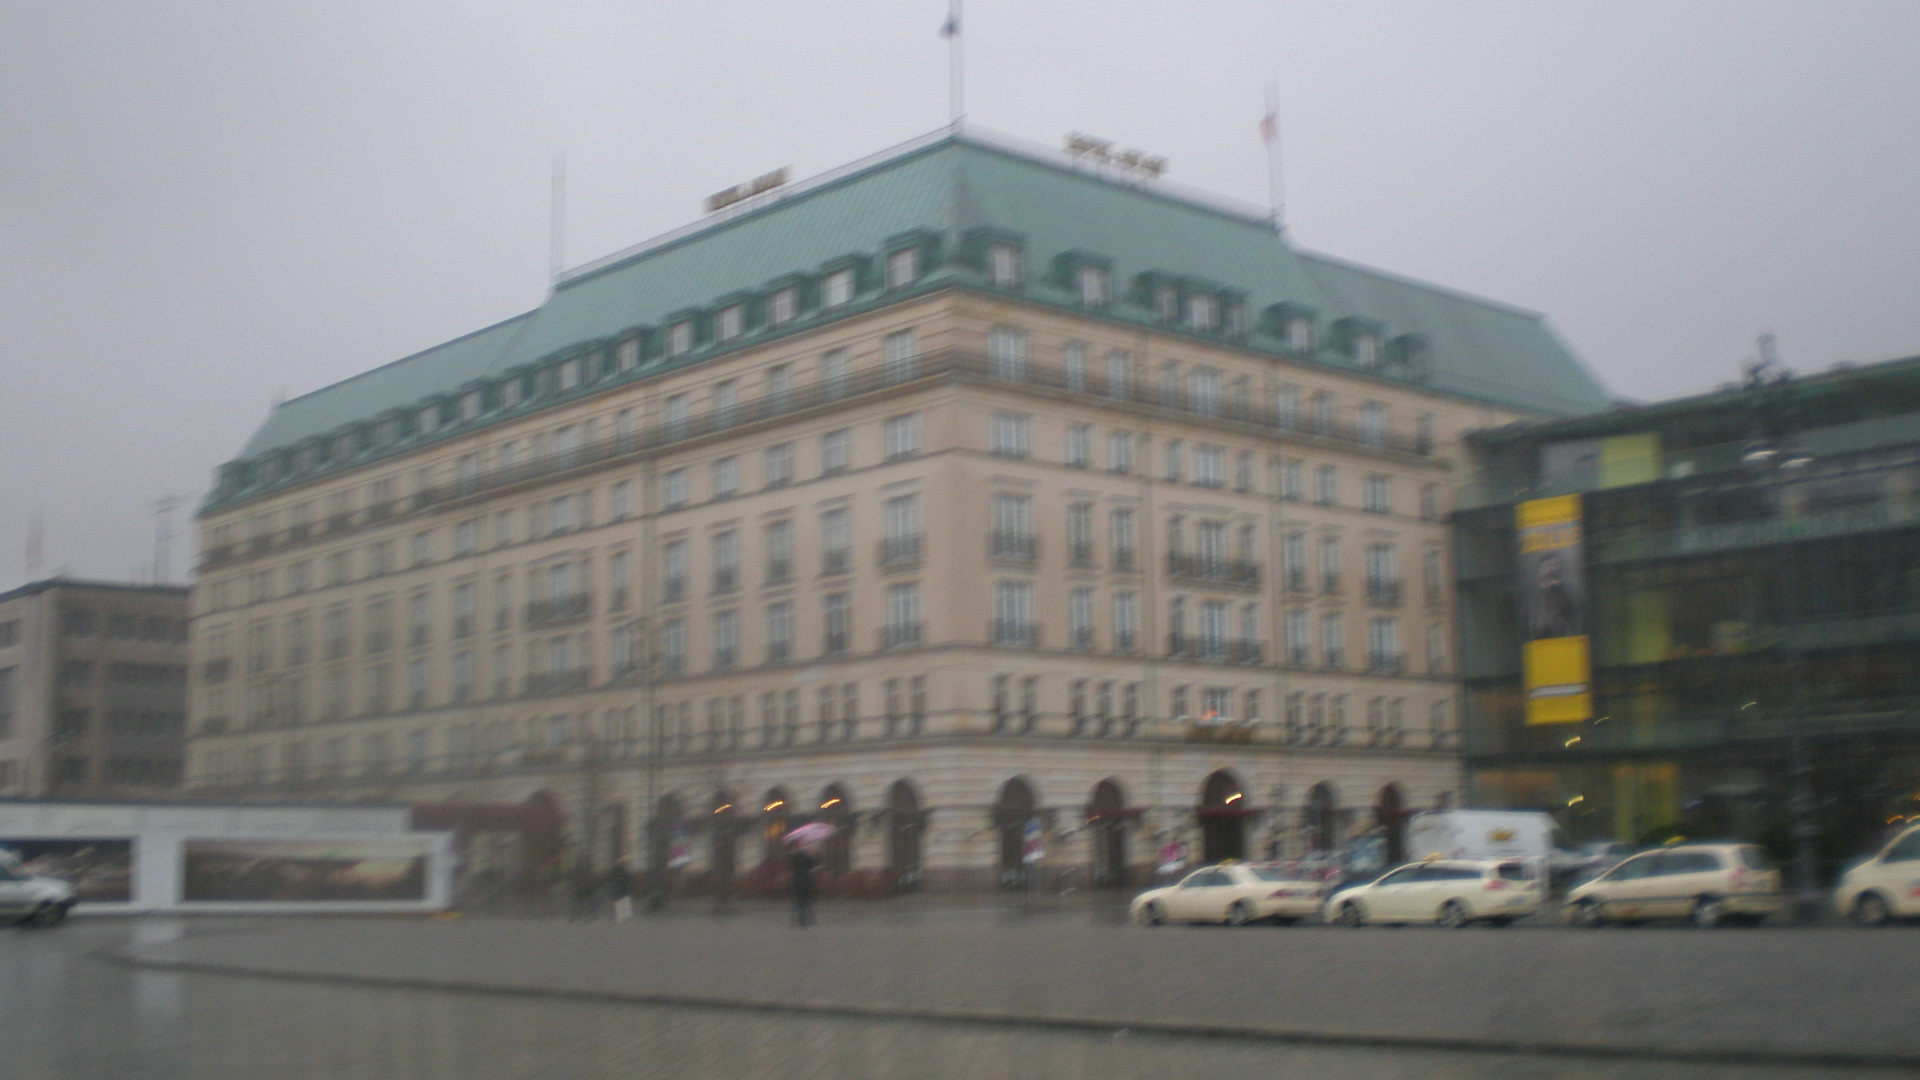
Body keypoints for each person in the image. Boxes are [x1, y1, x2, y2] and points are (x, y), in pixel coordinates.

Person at [788, 845, 818, 928]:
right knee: (806, 902)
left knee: (799, 902)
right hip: (805, 882)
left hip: (798, 883)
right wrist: (810, 857)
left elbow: (792, 868)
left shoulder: (794, 857)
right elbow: (811, 867)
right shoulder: (804, 857)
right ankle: (808, 919)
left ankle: (802, 920)